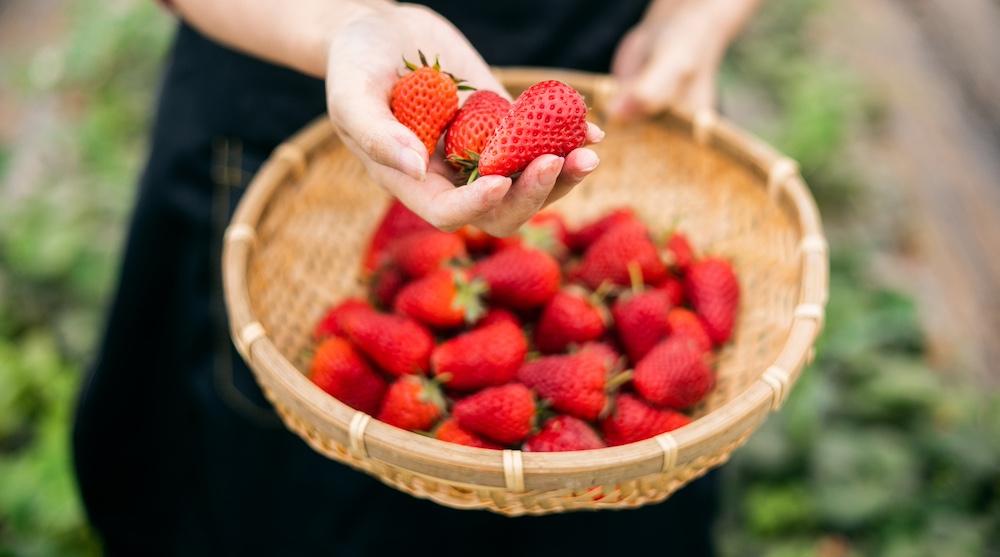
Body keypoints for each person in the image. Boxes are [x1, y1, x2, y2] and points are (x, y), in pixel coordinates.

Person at [72, 0, 761, 555]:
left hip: (601, 75)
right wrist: (341, 24)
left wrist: (698, 16)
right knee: (286, 508)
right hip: (294, 65)